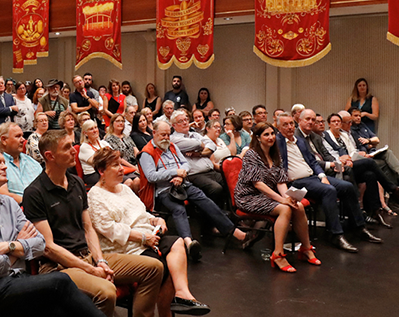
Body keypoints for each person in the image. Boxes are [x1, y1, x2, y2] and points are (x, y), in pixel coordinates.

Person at [0, 145, 180, 317]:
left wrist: (7, 247)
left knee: (67, 311)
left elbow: (39, 244)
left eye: (3, 162)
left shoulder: (8, 205)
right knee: (60, 281)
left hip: (17, 282)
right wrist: (17, 247)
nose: (4, 166)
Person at [24, 130, 167, 317]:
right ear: (50, 156)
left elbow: (88, 228)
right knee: (106, 291)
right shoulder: (35, 192)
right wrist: (91, 269)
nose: (74, 150)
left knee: (153, 268)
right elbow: (48, 247)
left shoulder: (76, 182)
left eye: (73, 145)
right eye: (67, 147)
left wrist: (99, 260)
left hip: (88, 256)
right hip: (59, 267)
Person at [87, 146, 209, 317]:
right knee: (164, 267)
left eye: (120, 164)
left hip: (147, 238)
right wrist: (143, 238)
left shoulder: (124, 188)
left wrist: (156, 220)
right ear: (102, 171)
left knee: (177, 242)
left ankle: (182, 294)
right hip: (123, 247)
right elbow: (109, 229)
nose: (122, 169)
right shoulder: (95, 195)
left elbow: (141, 212)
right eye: (115, 165)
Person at [138, 121, 253, 261]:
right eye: (163, 135)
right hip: (165, 190)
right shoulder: (146, 153)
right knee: (178, 209)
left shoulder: (172, 146)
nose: (166, 138)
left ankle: (238, 234)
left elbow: (185, 164)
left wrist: (181, 175)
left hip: (183, 184)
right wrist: (175, 173)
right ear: (154, 133)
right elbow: (151, 176)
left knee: (205, 200)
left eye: (168, 134)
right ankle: (189, 243)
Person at [277, 112, 378, 253]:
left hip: (313, 176)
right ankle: (336, 234)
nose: (289, 127)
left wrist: (322, 176)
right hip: (296, 182)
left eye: (290, 124)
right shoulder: (277, 142)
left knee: (347, 187)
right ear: (278, 127)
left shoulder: (299, 141)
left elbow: (313, 162)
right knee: (329, 190)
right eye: (285, 125)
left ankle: (359, 227)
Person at [235, 123, 318, 272]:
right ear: (258, 138)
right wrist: (282, 200)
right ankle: (278, 254)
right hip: (249, 197)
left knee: (297, 206)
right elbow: (258, 184)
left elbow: (280, 182)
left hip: (267, 195)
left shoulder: (275, 154)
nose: (271, 137)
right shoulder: (251, 154)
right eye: (266, 134)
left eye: (272, 134)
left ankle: (306, 248)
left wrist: (288, 198)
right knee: (284, 209)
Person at [0, 122, 41, 204]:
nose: (23, 139)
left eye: (22, 136)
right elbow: (2, 194)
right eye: (18, 136)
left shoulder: (32, 162)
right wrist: (31, 204)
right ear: (4, 140)